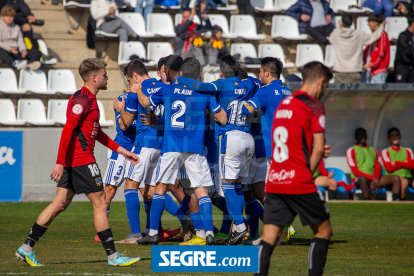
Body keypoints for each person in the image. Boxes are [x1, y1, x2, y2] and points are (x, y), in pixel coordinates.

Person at [15, 58, 141, 267]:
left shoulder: (88, 99)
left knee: (60, 203)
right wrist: (59, 162)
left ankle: (27, 247)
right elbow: (68, 131)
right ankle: (113, 257)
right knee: (100, 204)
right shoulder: (83, 100)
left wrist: (123, 151)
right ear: (94, 77)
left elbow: (96, 133)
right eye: (104, 74)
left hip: (74, 160)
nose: (106, 77)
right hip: (81, 160)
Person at [131, 55, 228, 245]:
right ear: (199, 75)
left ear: (181, 73)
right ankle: (208, 232)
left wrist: (137, 90)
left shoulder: (168, 89)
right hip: (195, 147)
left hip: (172, 146)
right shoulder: (205, 93)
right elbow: (222, 119)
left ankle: (151, 233)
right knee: (201, 191)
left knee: (161, 187)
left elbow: (145, 103)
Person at [255, 61, 333, 276]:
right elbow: (317, 147)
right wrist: (312, 177)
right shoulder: (314, 105)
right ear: (320, 81)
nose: (324, 91)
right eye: (325, 86)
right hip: (298, 179)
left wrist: (313, 148)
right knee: (323, 231)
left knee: (269, 236)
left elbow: (291, 141)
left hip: (277, 178)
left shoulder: (285, 103)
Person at [176, 54, 260, 245]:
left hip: (231, 138)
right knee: (238, 185)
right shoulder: (249, 84)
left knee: (228, 185)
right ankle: (242, 228)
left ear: (221, 73)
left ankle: (239, 227)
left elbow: (199, 86)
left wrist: (179, 78)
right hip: (248, 138)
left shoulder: (222, 84)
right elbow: (256, 82)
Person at [113, 59, 186, 243]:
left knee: (130, 187)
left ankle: (136, 233)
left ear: (135, 76)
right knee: (152, 191)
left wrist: (121, 109)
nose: (129, 85)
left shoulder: (138, 91)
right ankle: (183, 219)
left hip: (143, 144)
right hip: (160, 145)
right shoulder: (162, 86)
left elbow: (127, 123)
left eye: (129, 81)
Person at [346, 128, 401, 200]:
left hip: (374, 178)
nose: (362, 136)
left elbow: (377, 167)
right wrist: (372, 179)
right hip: (359, 179)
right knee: (363, 179)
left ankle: (396, 202)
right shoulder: (351, 150)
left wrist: (375, 179)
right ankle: (367, 200)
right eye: (360, 134)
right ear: (356, 137)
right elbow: (355, 172)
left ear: (366, 136)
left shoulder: (373, 150)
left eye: (364, 134)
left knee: (395, 178)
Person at [329, 14, 385, 83]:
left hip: (340, 71)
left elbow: (331, 40)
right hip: (355, 70)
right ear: (351, 23)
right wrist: (381, 27)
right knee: (355, 94)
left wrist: (339, 28)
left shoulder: (336, 34)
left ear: (341, 23)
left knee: (340, 93)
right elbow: (373, 37)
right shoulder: (358, 34)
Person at [0, 6, 41, 70]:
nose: (9, 18)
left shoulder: (17, 27)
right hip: (5, 50)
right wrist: (9, 49)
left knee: (36, 52)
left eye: (11, 16)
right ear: (2, 17)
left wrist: (23, 50)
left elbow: (20, 41)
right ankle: (14, 64)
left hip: (16, 50)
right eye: (7, 16)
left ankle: (33, 64)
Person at [381, 127, 414, 200]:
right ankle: (401, 202)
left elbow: (412, 165)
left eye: (396, 135)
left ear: (400, 137)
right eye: (392, 136)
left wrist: (397, 163)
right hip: (393, 178)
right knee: (403, 182)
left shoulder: (407, 150)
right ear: (389, 138)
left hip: (408, 176)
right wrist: (405, 163)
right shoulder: (385, 151)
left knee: (406, 181)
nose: (395, 137)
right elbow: (389, 168)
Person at [362, 14, 390, 84]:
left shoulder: (382, 35)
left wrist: (370, 65)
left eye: (369, 22)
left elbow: (380, 54)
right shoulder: (372, 36)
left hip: (378, 72)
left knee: (377, 95)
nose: (368, 24)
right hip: (370, 71)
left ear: (374, 23)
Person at [394, 17, 414, 83]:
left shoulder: (412, 36)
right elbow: (407, 51)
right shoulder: (403, 36)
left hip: (411, 67)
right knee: (401, 89)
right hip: (403, 67)